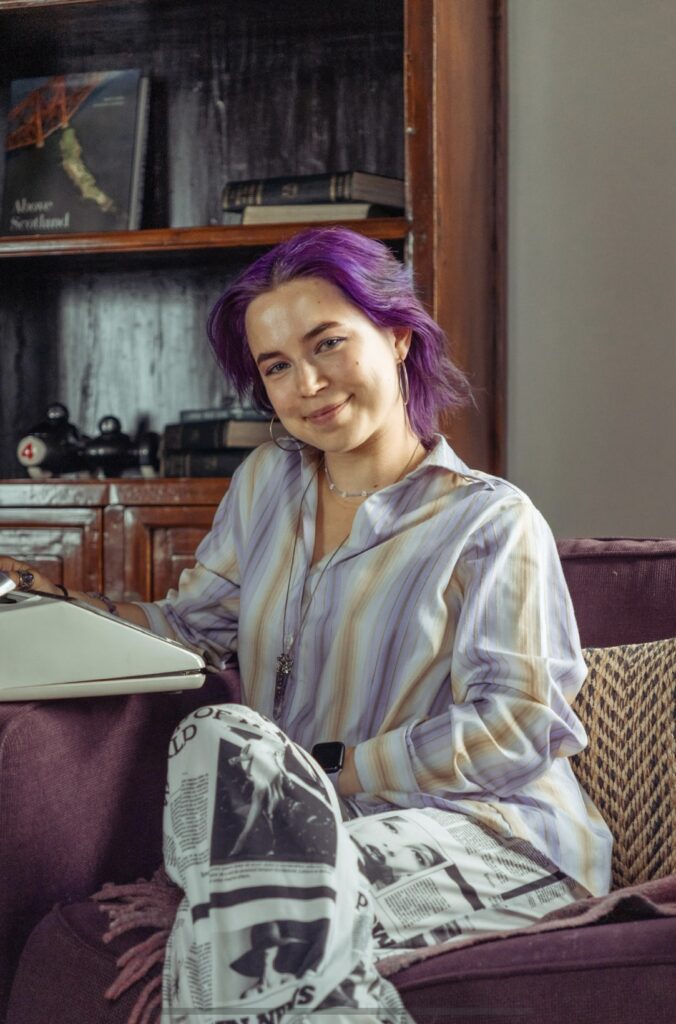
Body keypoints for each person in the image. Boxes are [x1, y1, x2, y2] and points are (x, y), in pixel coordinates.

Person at [0, 227, 613, 1024]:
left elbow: (520, 727)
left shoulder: (489, 520)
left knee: (245, 919)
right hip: (295, 837)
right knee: (220, 741)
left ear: (397, 336)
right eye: (277, 366)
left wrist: (323, 771)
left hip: (494, 837)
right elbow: (191, 630)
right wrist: (46, 596)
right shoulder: (266, 483)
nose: (309, 383)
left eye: (329, 344)